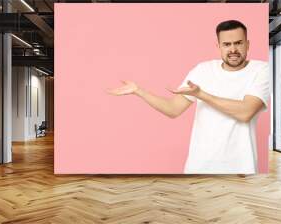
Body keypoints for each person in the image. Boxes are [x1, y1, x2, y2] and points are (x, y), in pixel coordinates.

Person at [107, 20, 270, 174]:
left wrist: (201, 95)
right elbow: (173, 109)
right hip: (199, 166)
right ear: (218, 46)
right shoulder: (203, 70)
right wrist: (139, 91)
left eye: (238, 43)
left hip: (241, 167)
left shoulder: (261, 70)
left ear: (247, 44)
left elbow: (246, 112)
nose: (233, 49)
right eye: (227, 44)